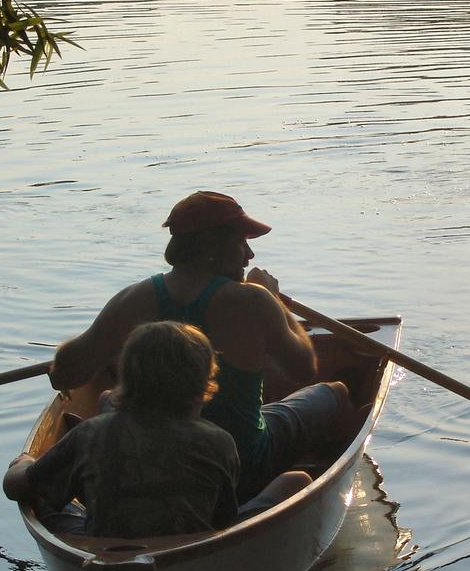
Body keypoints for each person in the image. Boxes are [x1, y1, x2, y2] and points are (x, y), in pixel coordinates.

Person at [49, 192, 349, 499]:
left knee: (109, 397)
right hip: (243, 465)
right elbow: (303, 368)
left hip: (153, 465)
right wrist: (273, 299)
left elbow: (63, 376)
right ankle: (324, 476)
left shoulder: (132, 300)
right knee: (336, 392)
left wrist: (109, 346)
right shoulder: (254, 300)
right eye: (241, 242)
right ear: (212, 247)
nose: (249, 255)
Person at [4, 322, 239, 537]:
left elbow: (15, 487)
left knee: (43, 492)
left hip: (107, 551)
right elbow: (223, 522)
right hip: (188, 553)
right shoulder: (220, 441)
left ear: (124, 376)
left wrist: (24, 463)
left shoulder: (91, 432)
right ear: (202, 385)